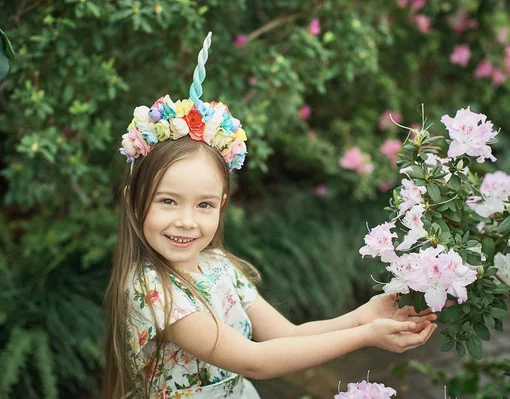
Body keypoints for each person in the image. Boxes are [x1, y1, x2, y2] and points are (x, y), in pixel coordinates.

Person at [103, 32, 438, 399]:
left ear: (222, 204)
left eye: (204, 205)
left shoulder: (219, 266)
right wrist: (365, 337)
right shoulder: (153, 290)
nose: (187, 220)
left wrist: (362, 316)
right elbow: (254, 360)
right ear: (134, 202)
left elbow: (286, 336)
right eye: (168, 201)